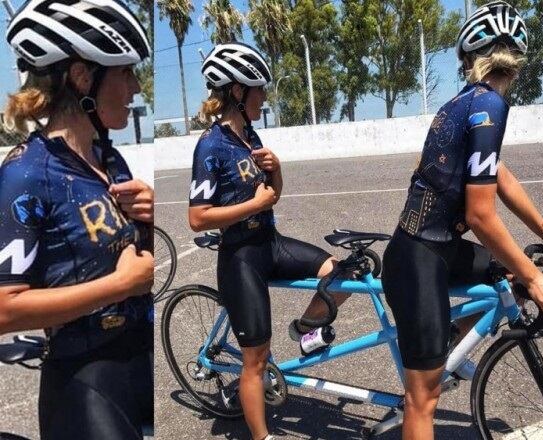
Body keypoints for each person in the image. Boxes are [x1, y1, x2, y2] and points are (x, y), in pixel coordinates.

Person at [382, 2, 543, 438]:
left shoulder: (467, 102)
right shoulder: (490, 105)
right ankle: (432, 355)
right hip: (418, 259)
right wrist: (537, 279)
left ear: (470, 59)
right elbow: (480, 215)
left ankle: (446, 338)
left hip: (436, 247)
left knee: (514, 273)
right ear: (517, 60)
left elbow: (499, 176)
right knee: (422, 398)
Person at [0, 0, 155, 438]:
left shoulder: (109, 158)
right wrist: (121, 285)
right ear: (83, 76)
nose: (136, 86)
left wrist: (147, 214)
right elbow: (4, 309)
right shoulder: (26, 173)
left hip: (137, 360)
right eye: (125, 72)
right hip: (84, 383)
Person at [190, 42, 350, 440]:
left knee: (341, 273)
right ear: (237, 93)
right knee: (256, 360)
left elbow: (272, 195)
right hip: (241, 256)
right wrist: (253, 205)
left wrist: (277, 171)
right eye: (258, 89)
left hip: (270, 242)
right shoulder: (211, 145)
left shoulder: (251, 136)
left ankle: (304, 329)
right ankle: (262, 437)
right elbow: (197, 217)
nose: (264, 96)